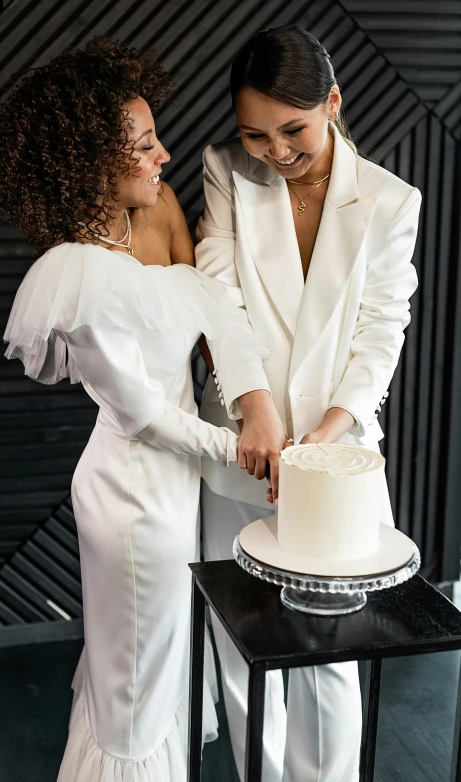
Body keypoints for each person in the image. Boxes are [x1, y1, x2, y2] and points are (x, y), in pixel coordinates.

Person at [0, 36, 285, 781]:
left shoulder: (159, 212)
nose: (166, 156)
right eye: (146, 145)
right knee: (135, 688)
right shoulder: (75, 273)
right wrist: (236, 446)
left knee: (156, 661)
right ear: (92, 163)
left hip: (177, 487)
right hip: (131, 497)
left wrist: (258, 409)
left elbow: (216, 312)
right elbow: (144, 416)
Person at [196, 24, 421, 782]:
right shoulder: (225, 170)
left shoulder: (391, 202)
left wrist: (324, 441)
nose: (276, 151)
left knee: (331, 645)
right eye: (255, 134)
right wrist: (252, 405)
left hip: (337, 457)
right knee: (241, 635)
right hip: (242, 445)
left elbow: (381, 331)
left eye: (292, 129)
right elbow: (218, 294)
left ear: (332, 102)